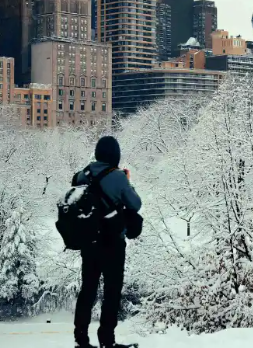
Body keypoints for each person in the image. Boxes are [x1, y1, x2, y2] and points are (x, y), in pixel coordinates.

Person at [73, 136, 142, 348]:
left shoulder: (81, 175)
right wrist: (127, 181)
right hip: (113, 243)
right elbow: (136, 204)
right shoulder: (118, 177)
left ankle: (81, 339)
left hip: (89, 243)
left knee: (88, 290)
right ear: (115, 154)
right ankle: (106, 340)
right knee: (112, 291)